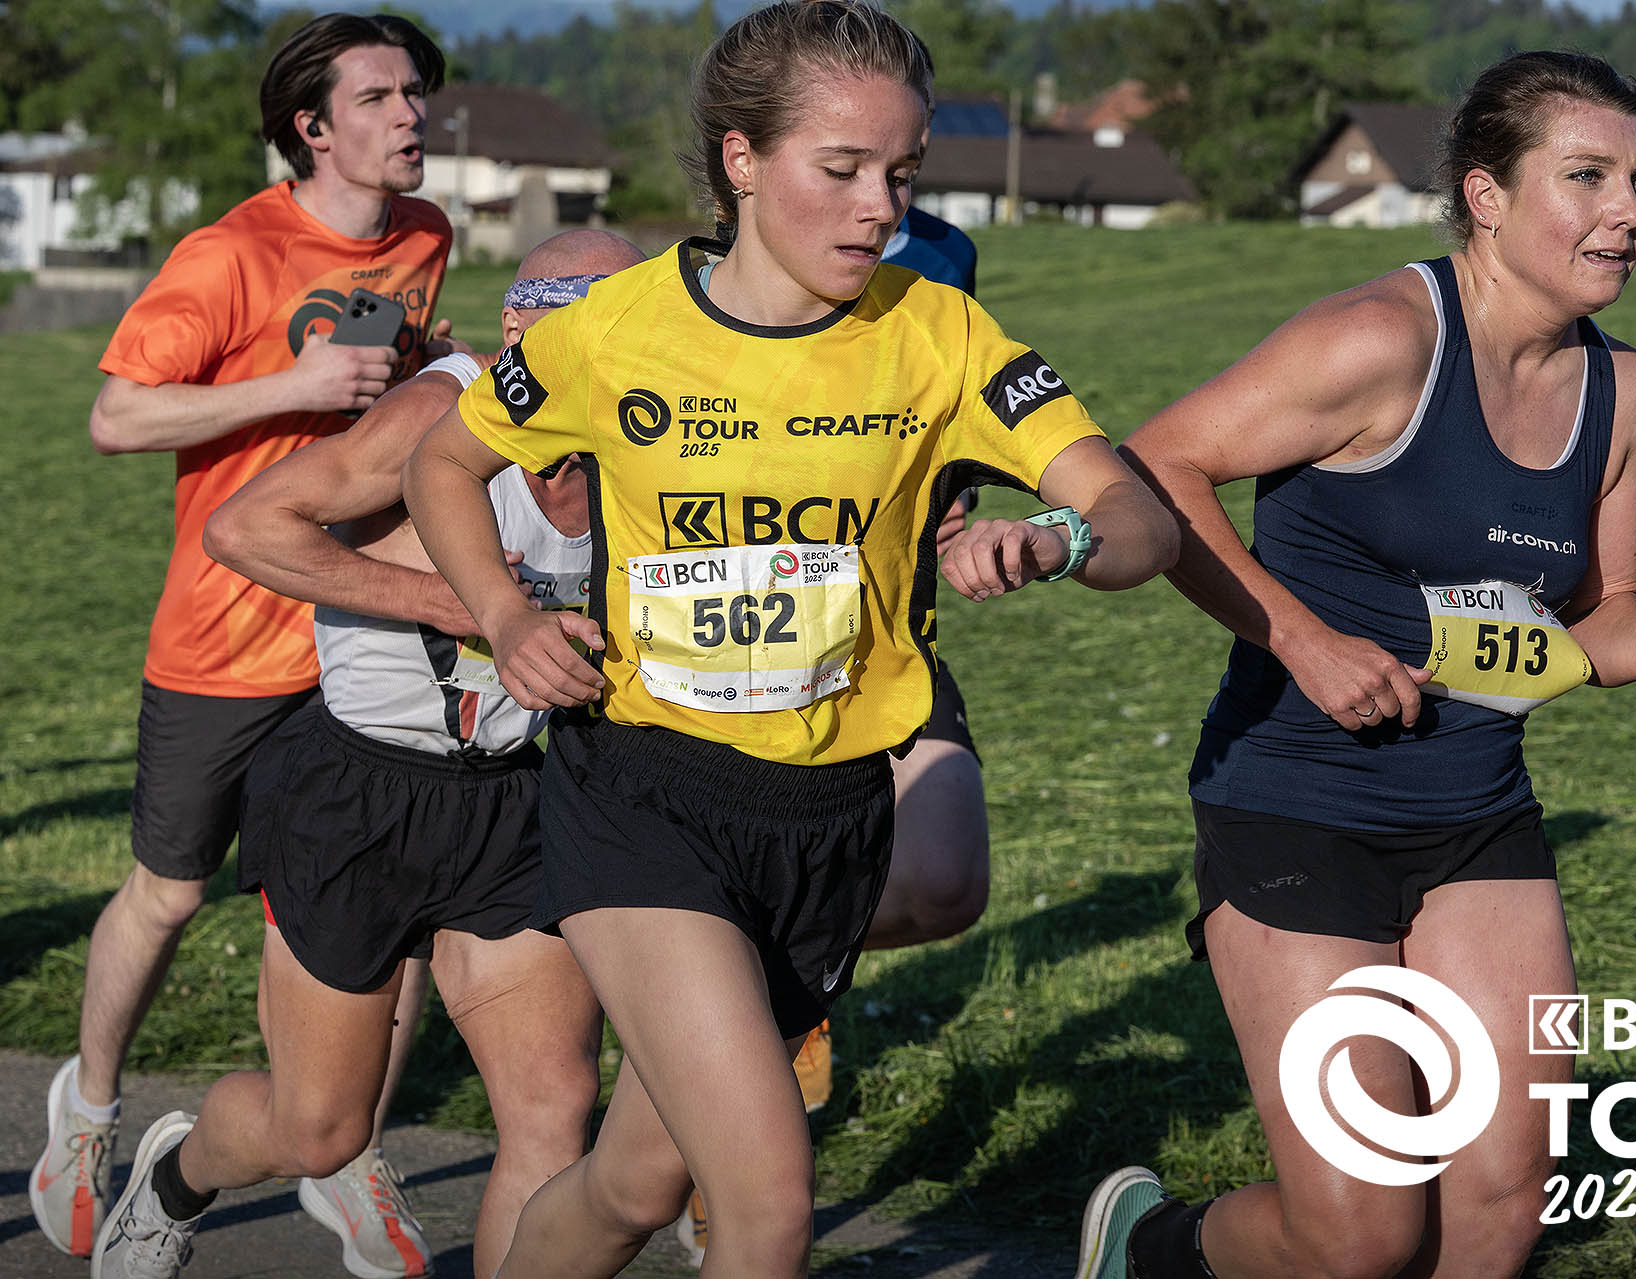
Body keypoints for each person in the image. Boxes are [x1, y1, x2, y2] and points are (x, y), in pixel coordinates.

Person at [402, 5, 1177, 1276]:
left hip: (827, 815)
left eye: (903, 174)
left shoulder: (941, 335)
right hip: (643, 790)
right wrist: (504, 613)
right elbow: (443, 464)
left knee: (633, 1181)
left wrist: (1060, 539)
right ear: (742, 160)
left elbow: (1139, 516)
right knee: (763, 1199)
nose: (880, 208)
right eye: (843, 168)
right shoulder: (613, 327)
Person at [1087, 50, 1636, 1279]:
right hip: (1296, 802)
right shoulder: (1380, 340)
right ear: (1485, 196)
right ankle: (1150, 1247)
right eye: (1589, 177)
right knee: (1362, 1234)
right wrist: (1301, 638)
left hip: (1477, 811)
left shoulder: (1623, 390)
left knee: (1500, 1211)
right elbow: (1152, 467)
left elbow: (1597, 617)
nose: (1630, 212)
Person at [86, 230, 640, 1279]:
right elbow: (248, 528)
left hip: (515, 800)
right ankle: (178, 1176)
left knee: (554, 1109)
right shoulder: (440, 413)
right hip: (361, 789)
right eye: (608, 320)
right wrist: (465, 601)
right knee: (320, 1132)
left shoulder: (639, 445)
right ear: (527, 325)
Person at [30, 12, 452, 1268]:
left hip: (355, 630)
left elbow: (394, 400)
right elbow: (117, 417)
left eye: (415, 92)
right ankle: (89, 1109)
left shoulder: (428, 235)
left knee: (378, 911)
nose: (411, 114)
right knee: (167, 893)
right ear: (310, 128)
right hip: (219, 637)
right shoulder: (229, 253)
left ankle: (346, 1146)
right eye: (378, 98)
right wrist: (294, 390)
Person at [674, 203, 987, 1264]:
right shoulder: (751, 233)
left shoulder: (946, 253)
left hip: (883, 633)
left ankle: (770, 988)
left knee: (945, 879)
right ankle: (719, 1096)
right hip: (739, 633)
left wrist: (965, 493)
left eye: (902, 159)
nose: (879, 186)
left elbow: (946, 402)